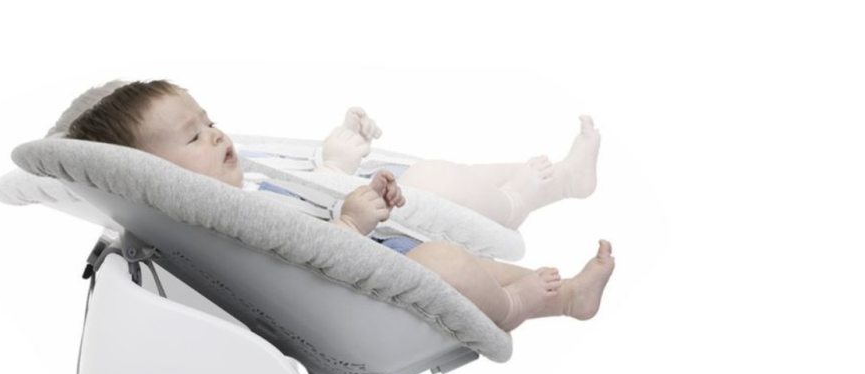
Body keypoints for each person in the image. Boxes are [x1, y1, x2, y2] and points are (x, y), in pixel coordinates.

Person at [62, 80, 614, 334]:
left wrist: (365, 197)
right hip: (369, 292)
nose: (216, 135)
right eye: (192, 137)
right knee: (450, 264)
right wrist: (350, 221)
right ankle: (511, 309)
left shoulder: (242, 196)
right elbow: (300, 269)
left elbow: (311, 221)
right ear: (156, 178)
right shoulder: (222, 227)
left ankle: (568, 297)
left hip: (387, 253)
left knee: (473, 263)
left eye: (209, 121)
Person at [265, 105, 602, 231]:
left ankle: (565, 180)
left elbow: (295, 192)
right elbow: (307, 235)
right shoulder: (246, 210)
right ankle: (511, 205)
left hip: (369, 198)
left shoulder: (251, 181)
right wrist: (334, 168)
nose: (218, 137)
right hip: (382, 228)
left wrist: (345, 144)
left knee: (462, 176)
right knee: (434, 178)